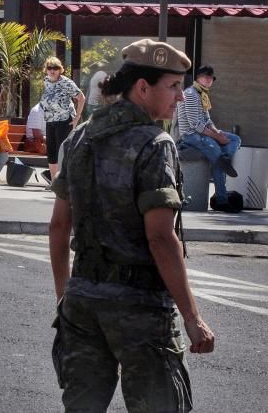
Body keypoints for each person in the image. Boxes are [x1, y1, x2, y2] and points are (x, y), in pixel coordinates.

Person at [49, 39, 215, 412]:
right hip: (139, 308)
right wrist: (192, 317)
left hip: (82, 302)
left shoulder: (79, 138)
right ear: (143, 87)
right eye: (172, 87)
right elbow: (160, 236)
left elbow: (59, 227)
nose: (180, 97)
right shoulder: (155, 143)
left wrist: (65, 298)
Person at [176, 65, 241, 211]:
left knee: (235, 139)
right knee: (216, 151)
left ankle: (223, 159)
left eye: (211, 77)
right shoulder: (191, 93)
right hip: (191, 135)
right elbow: (195, 124)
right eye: (205, 76)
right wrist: (216, 138)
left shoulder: (202, 94)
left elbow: (207, 120)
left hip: (202, 132)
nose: (209, 79)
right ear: (197, 78)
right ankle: (222, 201)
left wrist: (218, 133)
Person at [40, 56, 85, 180]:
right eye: (49, 68)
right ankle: (54, 181)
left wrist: (77, 118)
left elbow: (81, 98)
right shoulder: (46, 81)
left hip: (64, 120)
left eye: (55, 68)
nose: (52, 71)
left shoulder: (66, 82)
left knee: (62, 151)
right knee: (51, 152)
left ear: (60, 69)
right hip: (50, 119)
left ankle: (63, 180)